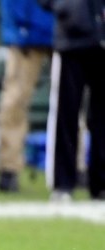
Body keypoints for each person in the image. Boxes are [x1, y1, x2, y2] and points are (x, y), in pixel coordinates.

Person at [38, 0, 105, 201]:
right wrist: (68, 7)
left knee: (102, 118)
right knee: (65, 115)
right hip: (71, 39)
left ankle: (101, 183)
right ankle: (63, 183)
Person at [0, 0, 54, 193]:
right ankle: (9, 168)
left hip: (66, 24)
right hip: (26, 27)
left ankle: (76, 167)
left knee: (71, 102)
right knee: (14, 101)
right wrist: (19, 23)